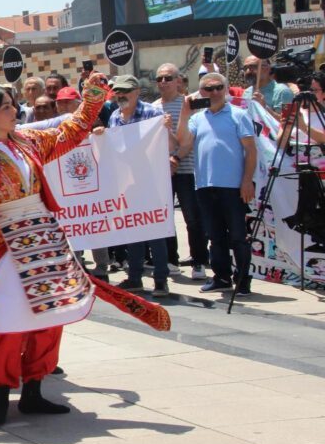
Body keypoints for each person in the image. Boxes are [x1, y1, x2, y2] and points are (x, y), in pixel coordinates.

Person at [0, 74, 170, 427]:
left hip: (46, 240)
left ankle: (33, 392)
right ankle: (1, 394)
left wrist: (92, 99)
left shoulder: (28, 142)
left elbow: (70, 132)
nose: (15, 111)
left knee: (51, 316)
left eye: (13, 105)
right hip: (5, 245)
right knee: (10, 319)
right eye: (6, 107)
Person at [175, 72, 257, 297]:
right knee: (215, 235)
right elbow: (183, 141)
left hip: (233, 186)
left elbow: (251, 151)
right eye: (209, 89)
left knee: (238, 236)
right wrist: (184, 113)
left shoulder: (238, 115)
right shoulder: (197, 118)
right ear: (201, 92)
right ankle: (221, 277)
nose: (214, 92)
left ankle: (243, 279)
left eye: (219, 87)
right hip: (204, 185)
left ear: (226, 89)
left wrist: (247, 180)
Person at [106, 74, 175, 296]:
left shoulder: (152, 113)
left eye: (125, 91)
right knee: (133, 230)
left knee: (155, 230)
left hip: (151, 180)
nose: (121, 95)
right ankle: (135, 277)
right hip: (127, 182)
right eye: (118, 91)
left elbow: (171, 145)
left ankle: (161, 280)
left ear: (137, 92)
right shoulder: (114, 117)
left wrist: (167, 129)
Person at [154, 63, 209, 281]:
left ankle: (199, 261)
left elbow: (190, 139)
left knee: (193, 218)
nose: (163, 82)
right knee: (166, 218)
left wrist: (175, 156)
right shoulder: (152, 108)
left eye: (168, 78)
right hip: (162, 171)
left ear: (178, 81)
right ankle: (171, 260)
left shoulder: (189, 104)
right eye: (159, 78)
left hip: (187, 169)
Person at [242, 55, 294, 120]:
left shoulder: (283, 92)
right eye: (245, 68)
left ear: (267, 68)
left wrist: (264, 107)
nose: (248, 71)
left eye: (252, 67)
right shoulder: (247, 92)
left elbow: (287, 122)